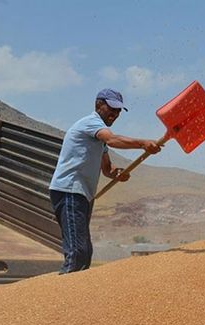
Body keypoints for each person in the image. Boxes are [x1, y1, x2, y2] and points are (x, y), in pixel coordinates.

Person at [49, 89, 162, 274]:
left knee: (85, 252)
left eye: (118, 111)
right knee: (77, 253)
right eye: (112, 108)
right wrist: (143, 143)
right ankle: (63, 294)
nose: (115, 114)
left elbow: (107, 169)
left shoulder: (97, 138)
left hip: (82, 194)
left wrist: (117, 173)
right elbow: (112, 139)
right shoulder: (91, 123)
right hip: (69, 190)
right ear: (98, 105)